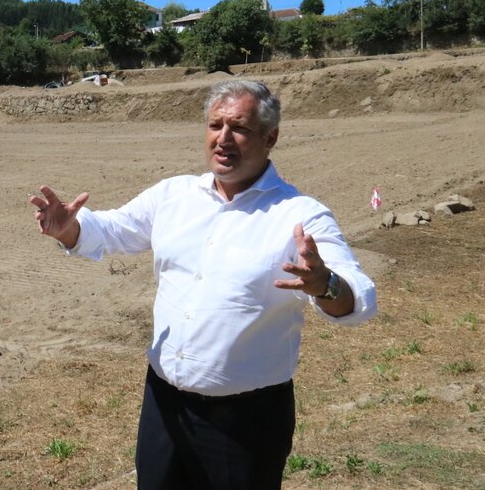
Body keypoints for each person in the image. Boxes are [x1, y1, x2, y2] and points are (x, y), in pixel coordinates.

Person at [30, 79, 376, 490]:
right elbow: (112, 228)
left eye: (240, 128)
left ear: (271, 137)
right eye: (215, 126)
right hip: (164, 405)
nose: (223, 139)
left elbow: (358, 296)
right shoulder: (174, 195)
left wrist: (324, 284)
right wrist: (70, 229)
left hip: (247, 423)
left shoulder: (300, 215)